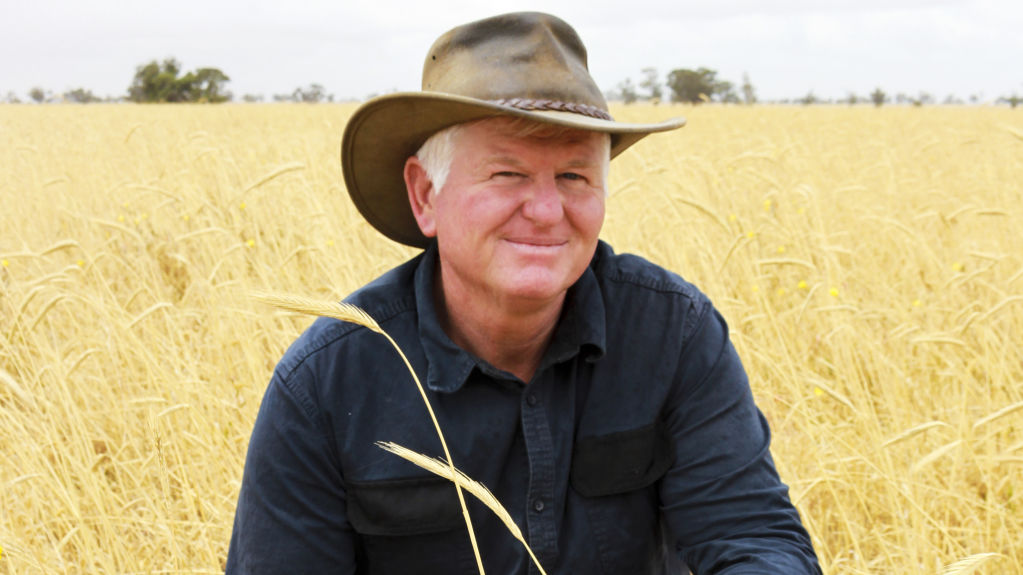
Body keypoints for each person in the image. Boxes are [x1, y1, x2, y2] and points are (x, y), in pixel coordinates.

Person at [227, 11, 821, 574]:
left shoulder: (673, 332)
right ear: (425, 195)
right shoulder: (326, 383)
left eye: (574, 176)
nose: (545, 210)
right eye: (507, 174)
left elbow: (753, 536)